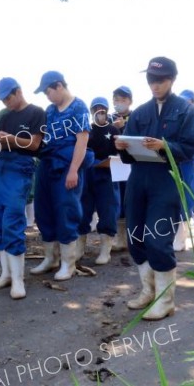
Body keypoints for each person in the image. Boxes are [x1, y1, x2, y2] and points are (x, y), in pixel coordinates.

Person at [115, 56, 194, 321]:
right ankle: (147, 290)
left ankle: (166, 300)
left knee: (158, 238)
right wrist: (122, 147)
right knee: (136, 236)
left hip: (166, 179)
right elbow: (129, 148)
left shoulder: (185, 110)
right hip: (139, 178)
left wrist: (164, 146)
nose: (154, 85)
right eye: (151, 79)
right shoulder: (139, 112)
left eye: (160, 80)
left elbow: (189, 148)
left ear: (171, 80)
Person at [0, 78, 45, 299]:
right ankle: (6, 275)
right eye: (2, 100)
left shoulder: (36, 113)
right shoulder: (4, 117)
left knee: (12, 219)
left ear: (19, 91)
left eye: (8, 97)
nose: (6, 103)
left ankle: (19, 280)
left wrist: (11, 139)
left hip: (20, 168)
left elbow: (35, 144)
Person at [30, 71, 92, 281]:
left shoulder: (79, 107)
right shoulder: (50, 109)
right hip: (47, 163)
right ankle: (51, 258)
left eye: (48, 92)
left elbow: (82, 141)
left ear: (58, 86)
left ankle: (68, 263)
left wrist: (74, 169)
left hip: (67, 164)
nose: (47, 97)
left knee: (66, 210)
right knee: (44, 209)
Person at [77, 97, 120, 265]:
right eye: (96, 109)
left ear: (107, 110)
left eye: (102, 108)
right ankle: (79, 248)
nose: (99, 112)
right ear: (91, 111)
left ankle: (105, 251)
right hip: (87, 173)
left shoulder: (114, 130)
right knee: (83, 209)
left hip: (107, 174)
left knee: (108, 210)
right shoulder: (86, 129)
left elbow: (121, 153)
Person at [172, 89, 194, 251]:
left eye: (188, 103)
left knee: (186, 202)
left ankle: (181, 238)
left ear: (193, 103)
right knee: (170, 201)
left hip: (187, 170)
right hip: (170, 169)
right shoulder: (172, 124)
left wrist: (180, 151)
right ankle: (171, 236)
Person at [111, 86, 134, 251]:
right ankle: (119, 239)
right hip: (113, 165)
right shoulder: (108, 119)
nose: (119, 103)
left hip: (131, 165)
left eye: (123, 100)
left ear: (130, 101)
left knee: (131, 200)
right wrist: (114, 127)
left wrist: (123, 128)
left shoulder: (136, 117)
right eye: (116, 100)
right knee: (115, 200)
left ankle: (132, 238)